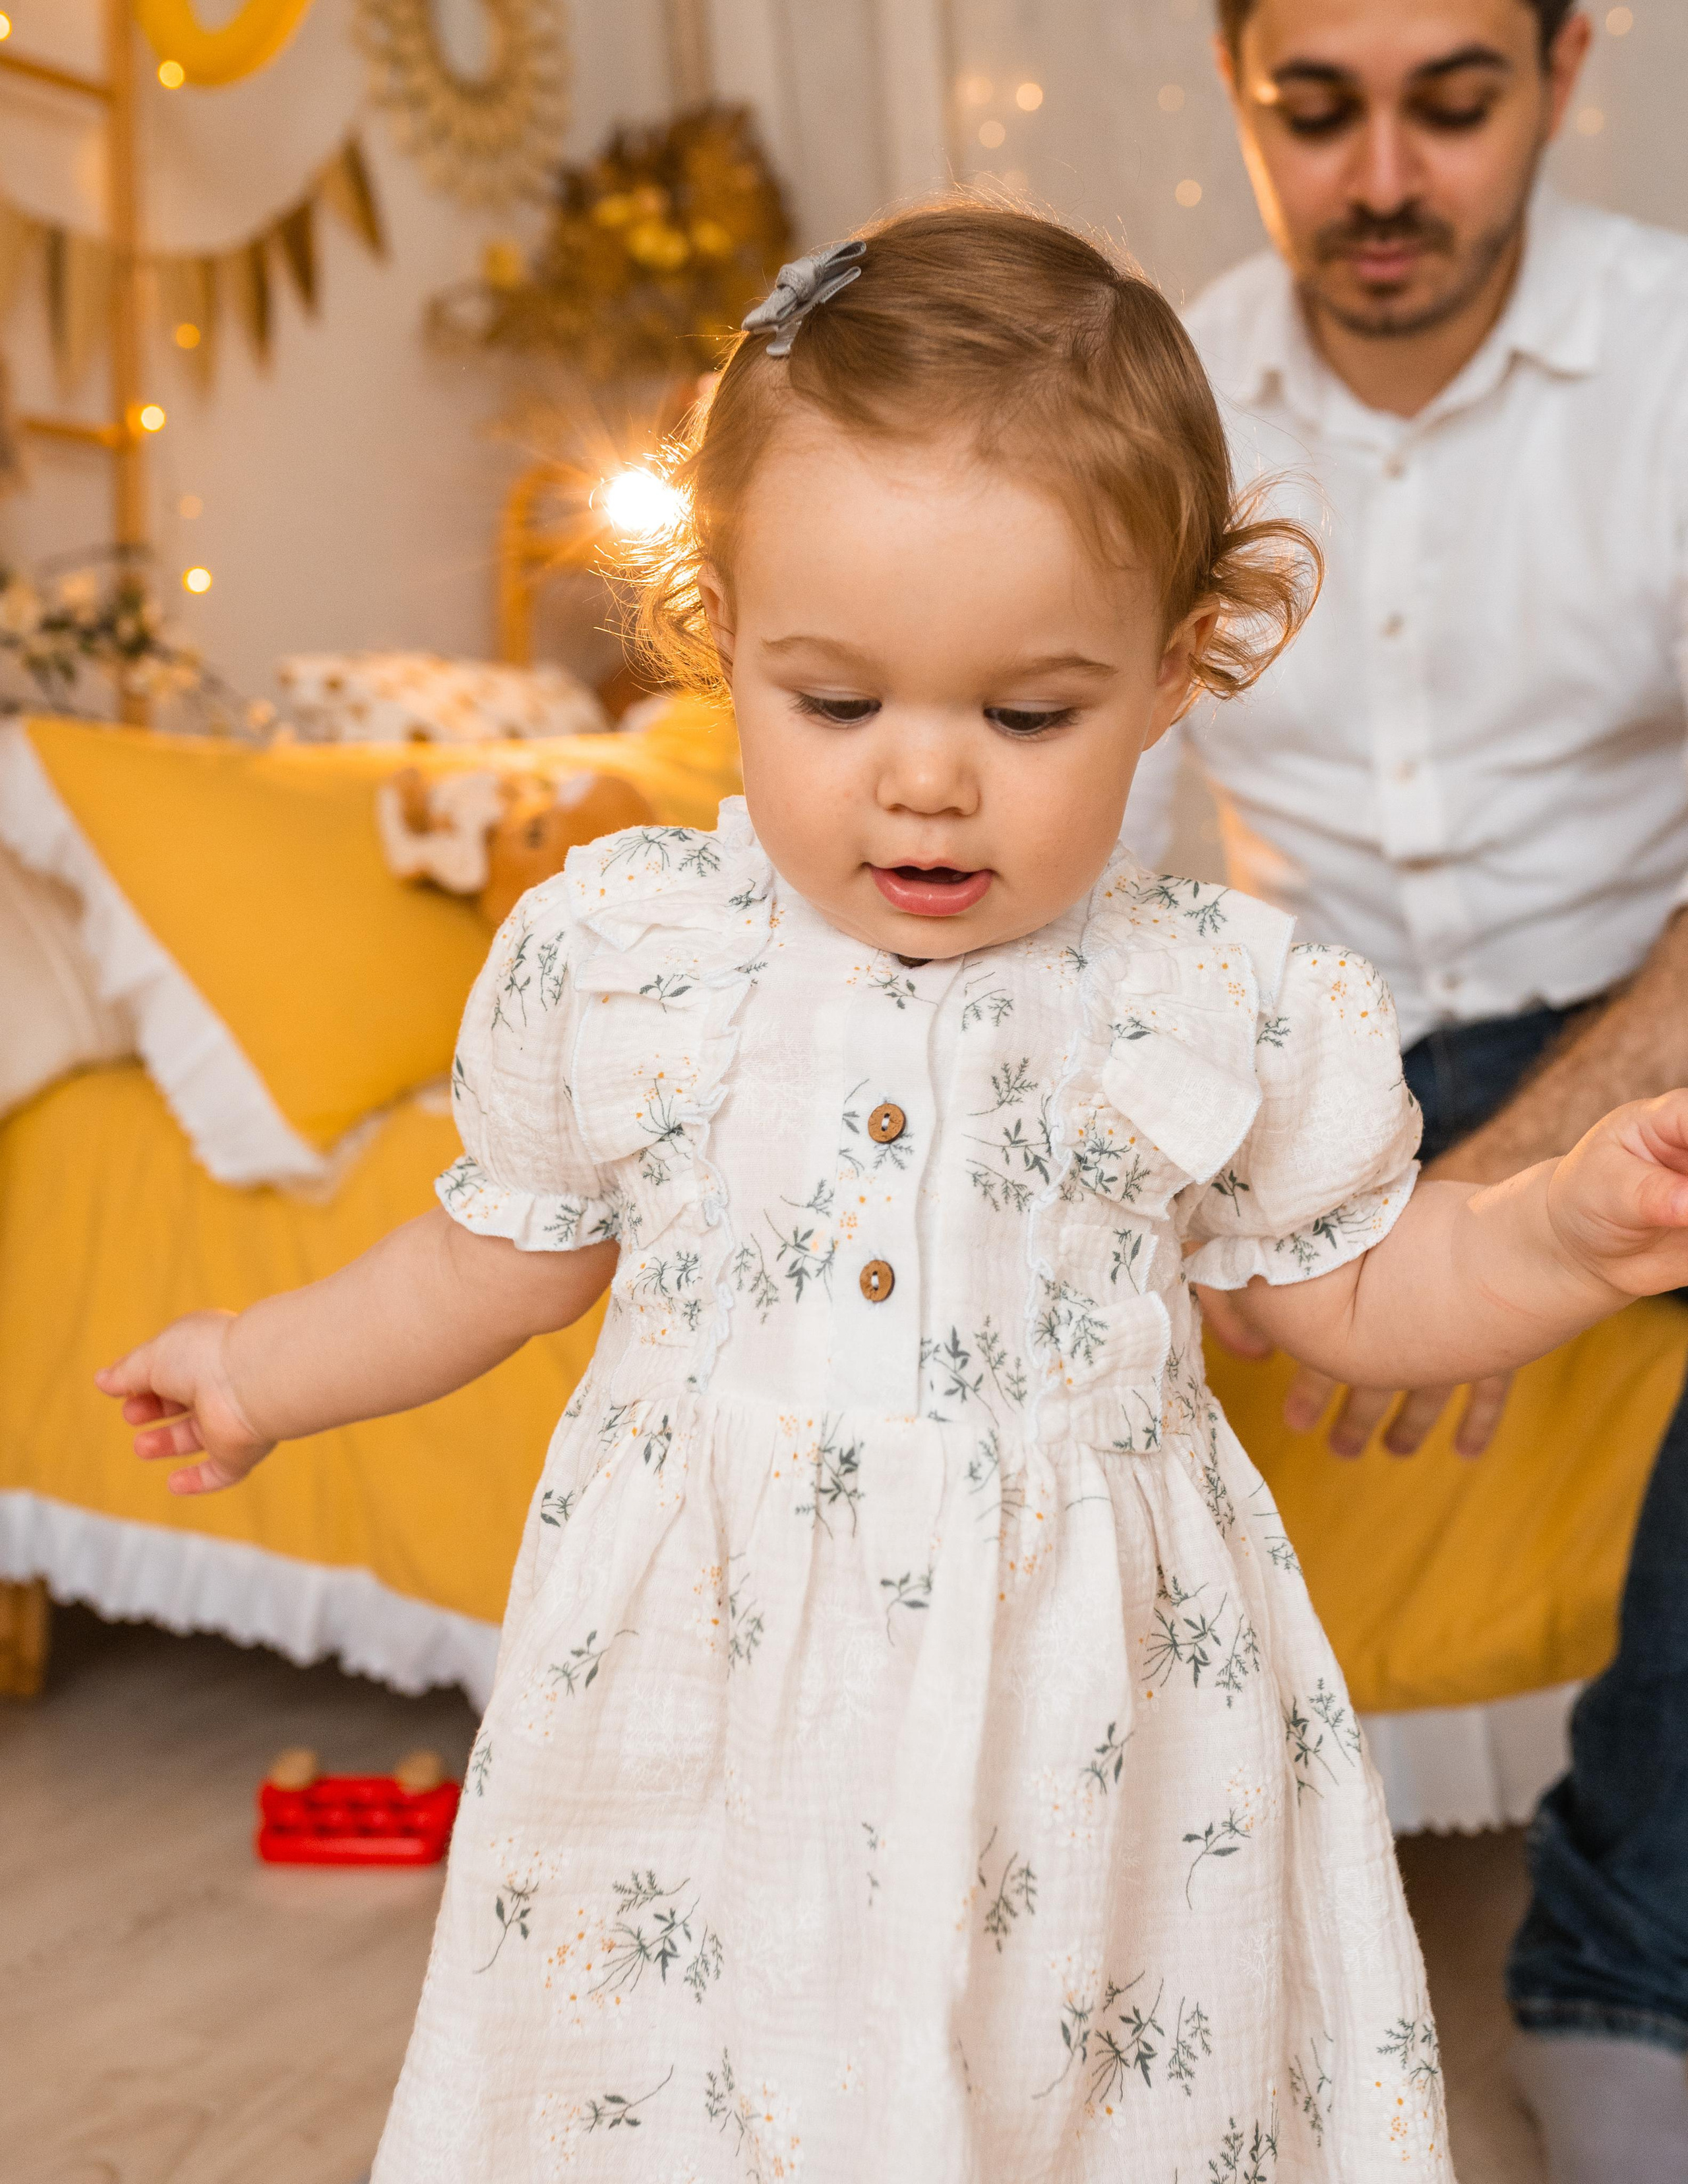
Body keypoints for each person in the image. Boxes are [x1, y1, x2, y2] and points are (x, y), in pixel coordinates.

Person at [97, 205, 1688, 2182]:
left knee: (1085, 2089)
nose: (923, 783)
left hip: (1091, 1712)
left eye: (1029, 717)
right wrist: (258, 1367)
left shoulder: (1203, 1000)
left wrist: (1560, 1232)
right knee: (689, 2086)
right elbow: (486, 1262)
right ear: (725, 641)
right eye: (834, 705)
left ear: (1182, 667)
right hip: (713, 1682)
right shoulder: (642, 965)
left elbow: (1352, 1294)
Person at [1125, 1, 1688, 2175]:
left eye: (1452, 106)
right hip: (1311, 1038)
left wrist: (1527, 1162)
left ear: (1563, 70)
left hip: (1641, 1007)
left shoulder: (1667, 356)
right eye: (1317, 109)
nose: (1380, 180)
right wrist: (1252, 1151)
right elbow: (1098, 834)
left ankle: (1631, 1972)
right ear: (1234, 84)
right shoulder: (1155, 393)